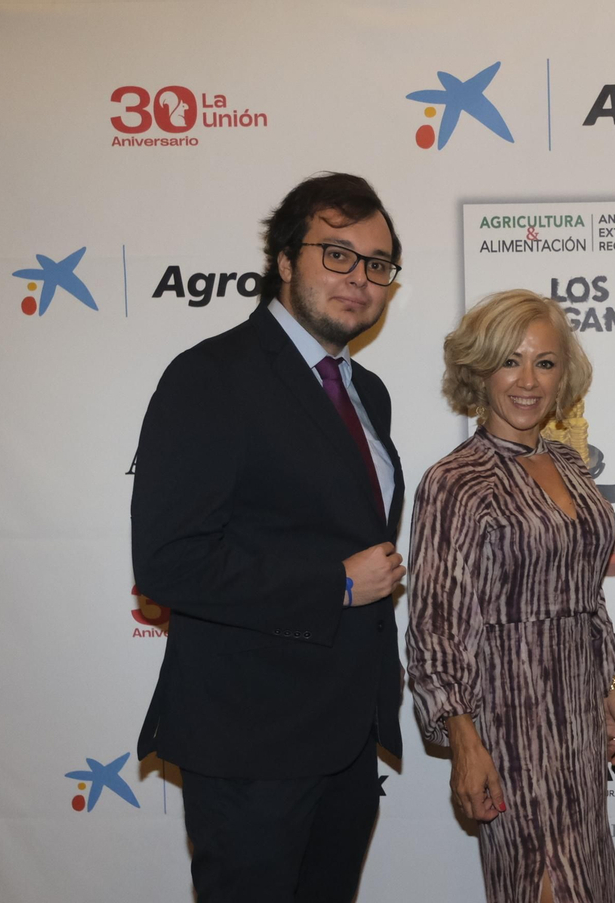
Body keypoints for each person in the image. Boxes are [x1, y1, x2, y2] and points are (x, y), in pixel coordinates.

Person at [131, 172, 407, 902]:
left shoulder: (365, 390)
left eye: (377, 264)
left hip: (345, 737)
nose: (360, 278)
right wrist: (337, 583)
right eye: (337, 254)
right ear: (284, 260)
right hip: (251, 739)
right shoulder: (209, 377)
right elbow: (169, 561)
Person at [407, 289, 615, 903]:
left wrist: (611, 690)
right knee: (539, 882)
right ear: (479, 370)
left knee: (588, 882)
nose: (528, 381)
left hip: (577, 720)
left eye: (545, 362)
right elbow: (436, 627)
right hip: (508, 721)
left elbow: (587, 595)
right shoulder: (456, 481)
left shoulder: (569, 464)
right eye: (510, 360)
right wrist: (463, 738)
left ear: (565, 372)